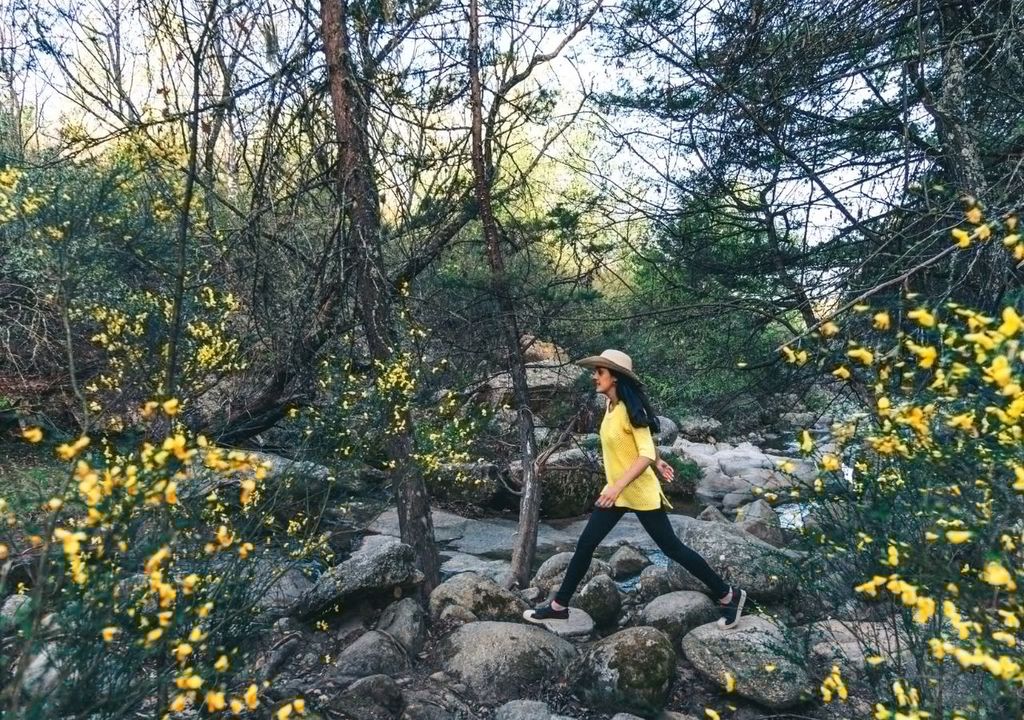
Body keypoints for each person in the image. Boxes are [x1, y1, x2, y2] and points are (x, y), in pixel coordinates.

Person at [524, 349, 747, 629]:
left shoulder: (632, 409)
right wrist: (658, 459)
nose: (594, 377)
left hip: (637, 492)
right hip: (618, 491)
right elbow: (641, 447)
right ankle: (559, 606)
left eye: (600, 372)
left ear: (615, 377)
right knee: (586, 544)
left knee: (673, 549)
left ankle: (729, 594)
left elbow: (640, 451)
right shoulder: (611, 406)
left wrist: (622, 482)